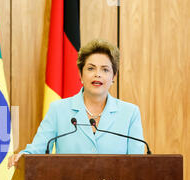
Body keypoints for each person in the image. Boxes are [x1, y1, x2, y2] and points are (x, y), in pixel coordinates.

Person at [8, 39, 145, 168]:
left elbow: (137, 163)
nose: (97, 74)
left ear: (113, 77)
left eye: (105, 69)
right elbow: (38, 149)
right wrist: (24, 156)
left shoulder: (130, 113)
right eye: (91, 68)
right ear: (80, 74)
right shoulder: (59, 110)